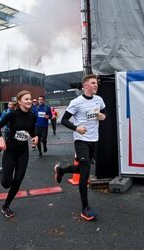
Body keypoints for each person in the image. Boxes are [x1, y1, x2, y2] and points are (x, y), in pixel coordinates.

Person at [54, 74, 106, 221]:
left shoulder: (99, 100)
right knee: (85, 173)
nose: (96, 85)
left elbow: (104, 114)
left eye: (96, 83)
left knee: (85, 168)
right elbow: (63, 120)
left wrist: (102, 116)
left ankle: (61, 170)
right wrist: (77, 128)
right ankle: (85, 208)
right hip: (81, 139)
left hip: (93, 139)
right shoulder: (76, 102)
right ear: (85, 86)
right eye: (93, 83)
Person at [0, 90, 38, 218]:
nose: (29, 101)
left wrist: (35, 137)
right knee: (7, 183)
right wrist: (0, 139)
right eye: (26, 99)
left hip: (23, 152)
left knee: (18, 180)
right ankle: (0, 173)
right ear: (19, 101)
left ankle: (6, 206)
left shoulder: (32, 116)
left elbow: (32, 131)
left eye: (30, 98)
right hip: (10, 150)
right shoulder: (12, 114)